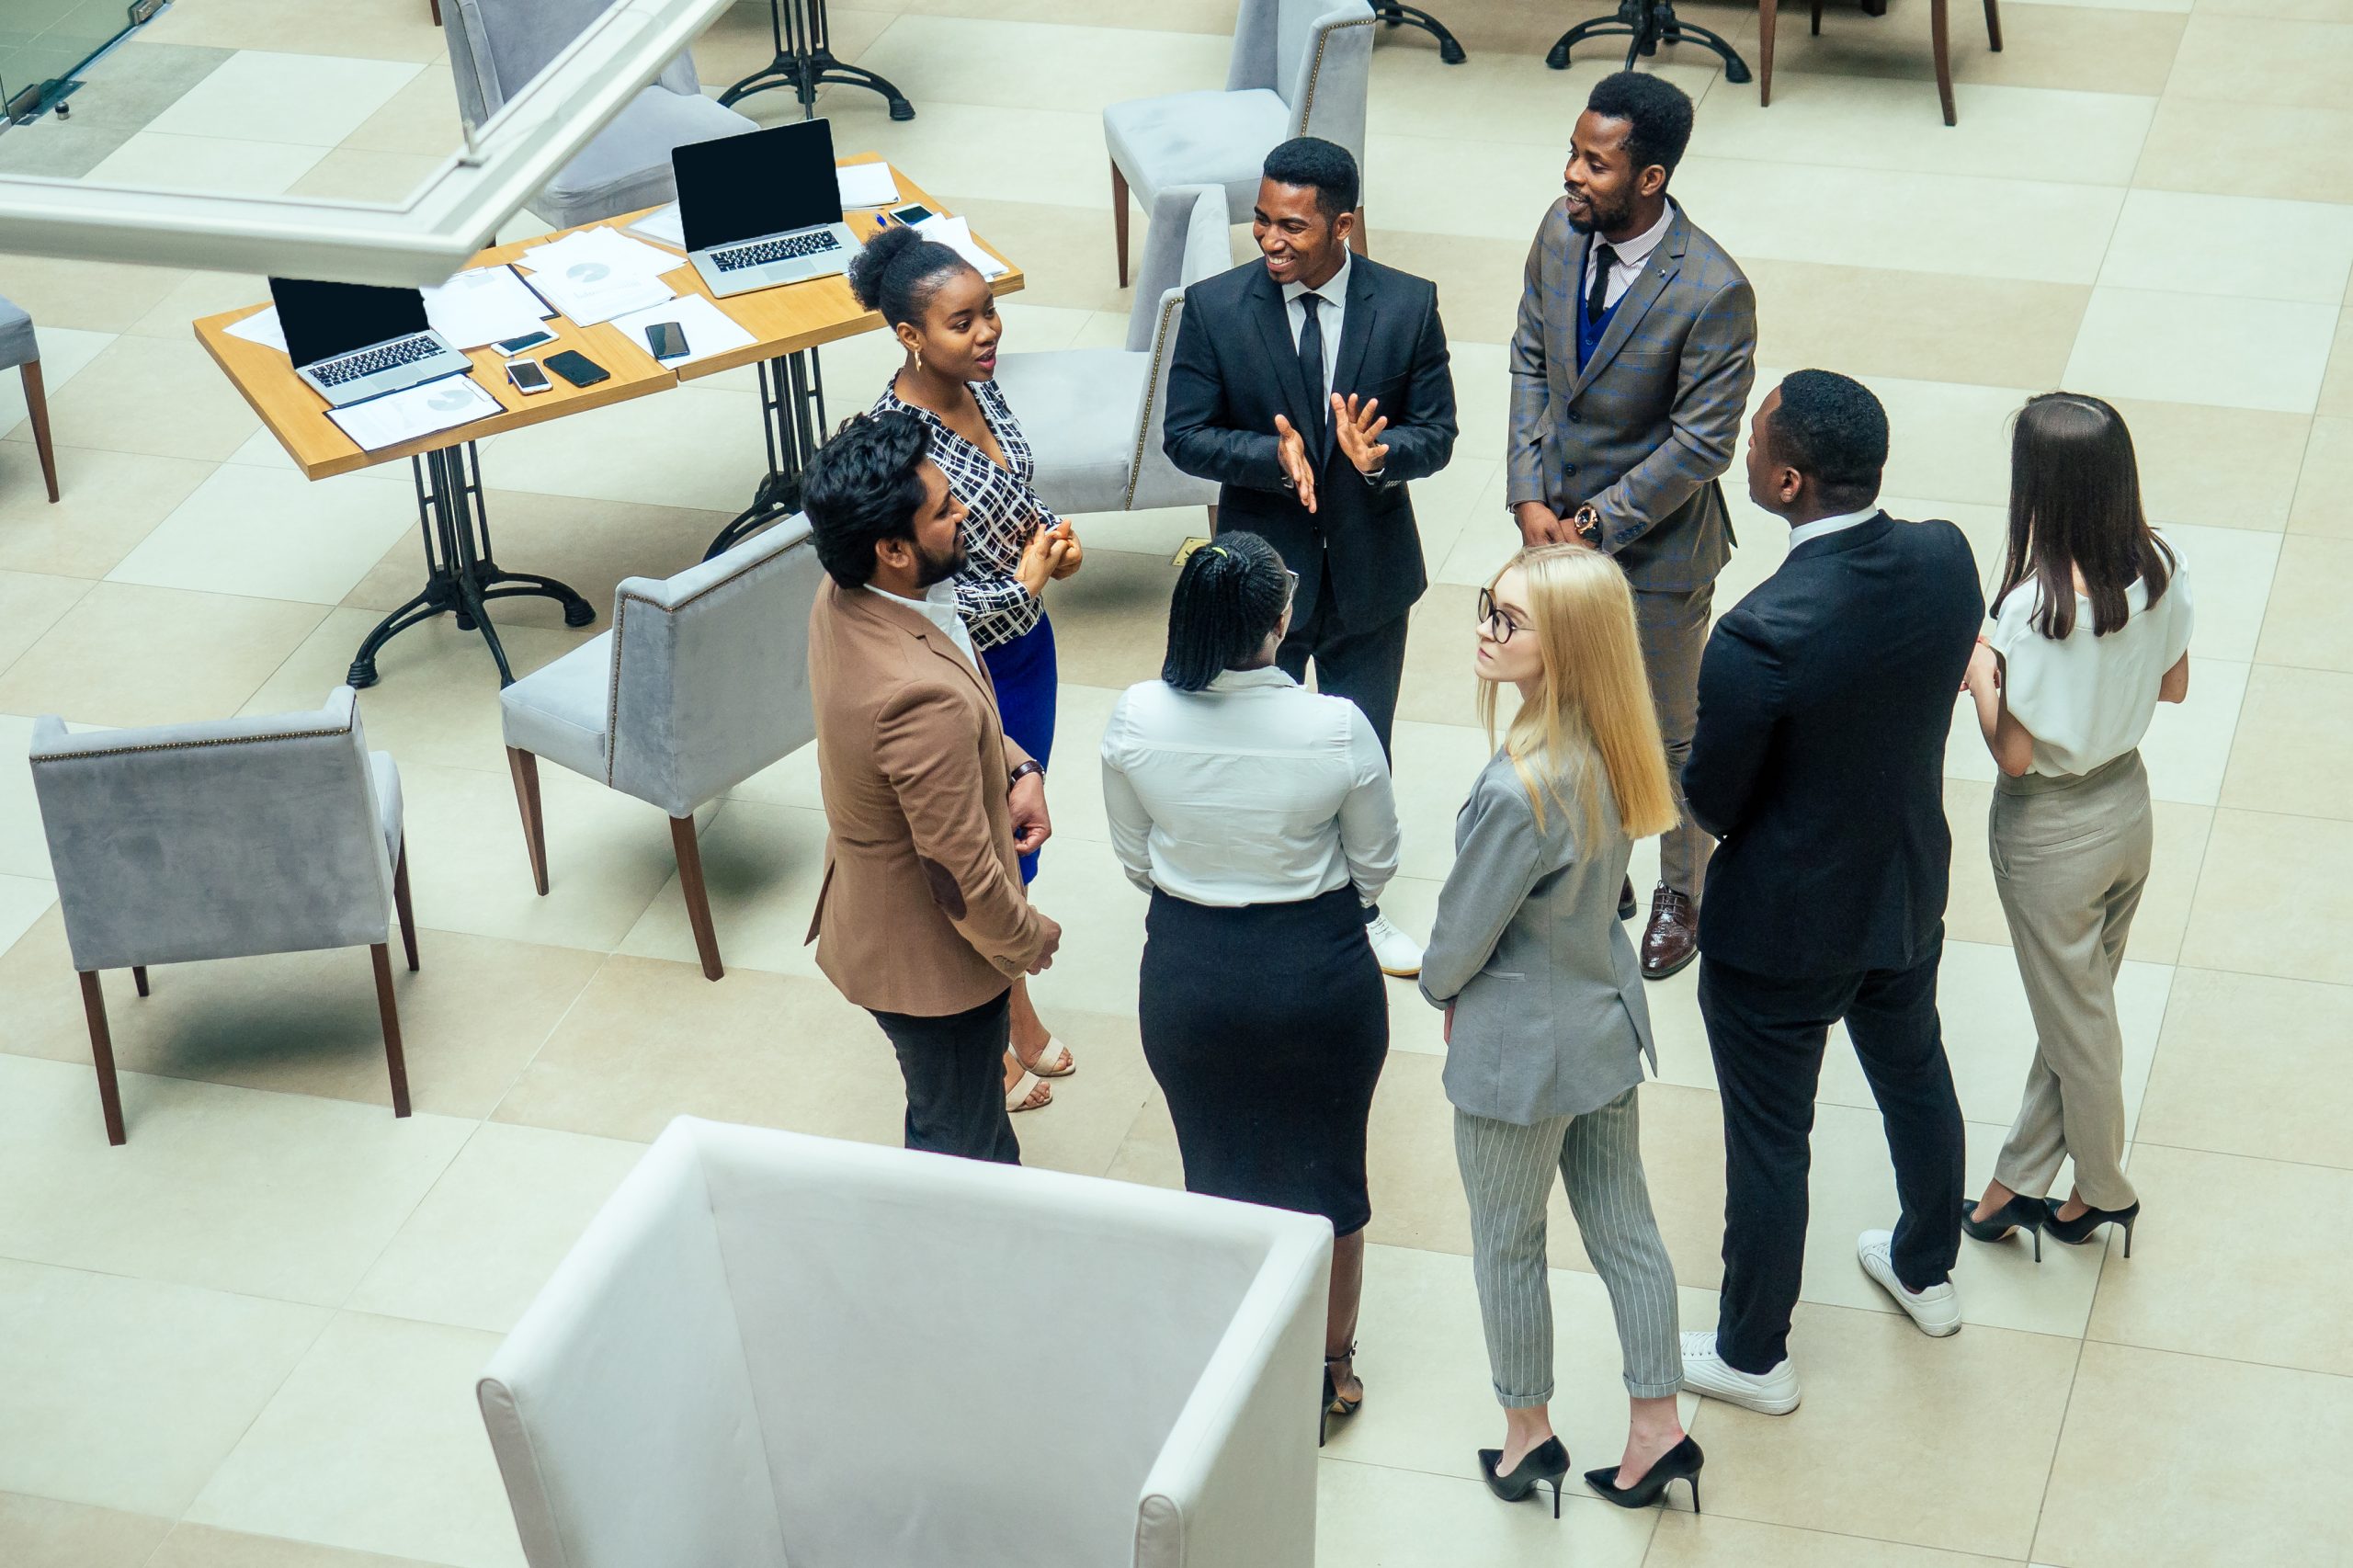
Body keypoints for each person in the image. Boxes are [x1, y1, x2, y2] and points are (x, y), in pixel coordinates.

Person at [1677, 370, 1982, 1415]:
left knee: (1771, 1138)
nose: (1746, 450)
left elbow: (1713, 801)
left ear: (1790, 480)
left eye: (1757, 440)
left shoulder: (1761, 631)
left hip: (1781, 933)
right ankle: (1925, 1264)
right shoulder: (1946, 559)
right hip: (1902, 891)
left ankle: (1753, 1352)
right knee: (1914, 1074)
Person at [1421, 545, 1700, 1518]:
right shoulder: (1615, 742)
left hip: (1515, 1054)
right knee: (1625, 1227)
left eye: (1507, 618)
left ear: (1565, 644)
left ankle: (1527, 1433)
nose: (1486, 632)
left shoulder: (1517, 788)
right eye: (1487, 609)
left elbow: (1456, 944)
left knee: (1507, 1240)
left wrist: (1435, 984)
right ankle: (1658, 1426)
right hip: (1604, 1022)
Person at [1099, 531, 1399, 1439]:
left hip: (1189, 971)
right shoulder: (1335, 723)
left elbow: (1134, 857)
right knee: (1332, 1177)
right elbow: (1375, 863)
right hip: (1318, 973)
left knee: (1215, 1168)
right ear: (1279, 623)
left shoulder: (1135, 715)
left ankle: (1231, 1355)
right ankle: (1328, 1364)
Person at [1163, 135, 1458, 979]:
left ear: (1344, 226)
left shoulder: (1407, 306)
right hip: (1263, 577)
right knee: (1255, 747)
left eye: (1290, 226)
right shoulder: (1216, 309)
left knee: (1364, 750)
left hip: (1372, 576)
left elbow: (1436, 434)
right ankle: (1264, 893)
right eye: (1260, 221)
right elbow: (1183, 434)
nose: (1268, 241)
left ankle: (1360, 905)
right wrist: (1269, 457)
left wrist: (1380, 458)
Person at [1505, 70, 1756, 983]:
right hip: (1551, 526)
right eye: (1573, 152)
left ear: (1648, 179)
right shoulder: (1556, 230)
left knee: (1665, 734)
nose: (1571, 173)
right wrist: (1529, 497)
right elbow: (1531, 355)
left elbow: (1702, 442)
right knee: (1565, 709)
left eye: (1593, 162)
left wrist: (1589, 525)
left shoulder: (1713, 289)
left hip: (1654, 548)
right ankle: (1596, 862)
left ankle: (1677, 890)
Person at [847, 223, 1082, 1119]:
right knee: (973, 853)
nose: (987, 333)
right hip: (962, 667)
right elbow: (913, 597)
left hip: (1028, 651)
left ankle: (1013, 1003)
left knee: (1016, 842)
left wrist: (1050, 539)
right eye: (961, 322)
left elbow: (1016, 490)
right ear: (909, 335)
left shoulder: (978, 390)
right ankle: (988, 1030)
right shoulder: (894, 443)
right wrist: (1024, 582)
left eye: (989, 313)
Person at [1961, 394, 2191, 1262]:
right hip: (2129, 810)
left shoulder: (2030, 610)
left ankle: (2103, 1186)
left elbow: (2013, 755)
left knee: (2079, 1027)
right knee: (2077, 1014)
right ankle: (2015, 1184)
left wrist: (1982, 670)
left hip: (2050, 835)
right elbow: (2172, 687)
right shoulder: (2160, 564)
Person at [801, 410, 1060, 1165]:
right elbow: (961, 876)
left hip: (882, 907)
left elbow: (961, 701)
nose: (965, 514)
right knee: (962, 1142)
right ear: (891, 550)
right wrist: (1027, 941)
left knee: (960, 1116)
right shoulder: (915, 696)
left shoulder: (849, 591)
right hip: (929, 966)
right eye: (945, 512)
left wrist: (1017, 767)